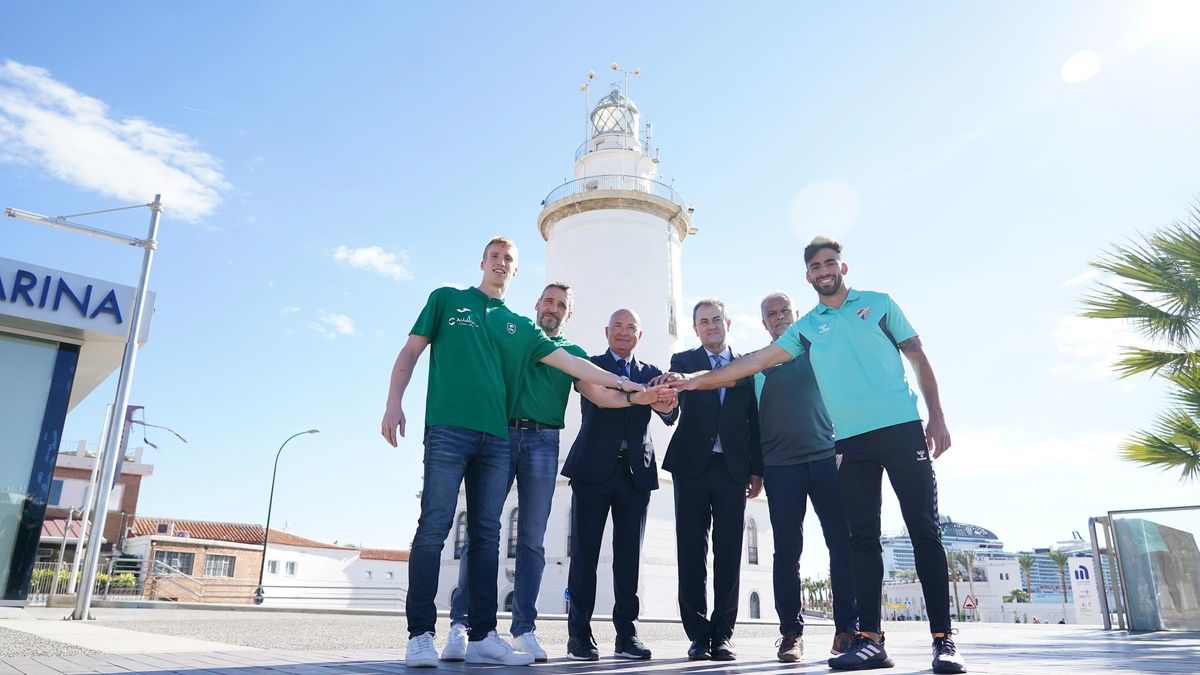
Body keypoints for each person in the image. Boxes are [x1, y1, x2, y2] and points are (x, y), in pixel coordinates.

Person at [668, 236, 967, 674]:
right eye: (815, 266)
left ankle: (943, 639)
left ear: (842, 267)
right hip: (851, 443)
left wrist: (936, 416)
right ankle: (870, 640)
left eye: (830, 262)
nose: (824, 270)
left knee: (924, 532)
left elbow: (918, 356)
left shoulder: (880, 304)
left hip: (901, 430)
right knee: (861, 541)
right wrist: (693, 381)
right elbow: (753, 363)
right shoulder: (808, 328)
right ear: (808, 275)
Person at [381, 238, 655, 668]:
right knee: (439, 527)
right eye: (496, 257)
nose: (501, 263)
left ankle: (491, 633)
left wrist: (633, 388)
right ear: (484, 262)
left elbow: (586, 375)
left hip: (518, 440)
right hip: (471, 432)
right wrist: (394, 400)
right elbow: (412, 350)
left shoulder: (523, 331)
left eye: (509, 259)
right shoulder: (453, 302)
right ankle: (430, 631)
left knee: (497, 535)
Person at [445, 283, 669, 663]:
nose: (553, 308)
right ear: (536, 304)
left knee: (535, 540)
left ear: (569, 313)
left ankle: (527, 629)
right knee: (485, 532)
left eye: (561, 304)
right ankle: (463, 626)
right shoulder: (521, 339)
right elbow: (480, 372)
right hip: (504, 437)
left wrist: (647, 396)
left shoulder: (581, 357)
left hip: (555, 445)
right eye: (548, 301)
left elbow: (613, 397)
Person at [561, 308, 679, 662]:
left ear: (640, 336)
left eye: (631, 328)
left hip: (636, 474)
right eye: (618, 327)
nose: (624, 333)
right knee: (585, 556)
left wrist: (668, 401)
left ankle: (627, 635)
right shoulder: (589, 365)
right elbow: (598, 395)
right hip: (592, 470)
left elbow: (670, 416)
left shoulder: (653, 374)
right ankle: (579, 635)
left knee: (629, 558)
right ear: (606, 331)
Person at [756, 291, 858, 662]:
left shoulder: (820, 353)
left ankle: (847, 629)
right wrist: (756, 470)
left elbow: (847, 398)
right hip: (780, 467)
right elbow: (753, 422)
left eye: (785, 311)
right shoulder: (757, 367)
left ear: (796, 315)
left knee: (842, 545)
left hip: (826, 461)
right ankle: (791, 635)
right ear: (763, 322)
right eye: (772, 313)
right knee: (787, 552)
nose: (779, 316)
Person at [661, 298, 762, 662]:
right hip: (691, 466)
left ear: (728, 322)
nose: (711, 326)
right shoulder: (683, 363)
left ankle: (723, 635)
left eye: (716, 319)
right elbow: (670, 410)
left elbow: (754, 421)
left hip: (732, 468)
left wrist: (757, 469)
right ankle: (698, 634)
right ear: (696, 328)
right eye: (703, 321)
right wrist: (664, 406)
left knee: (729, 552)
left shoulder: (746, 367)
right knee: (690, 551)